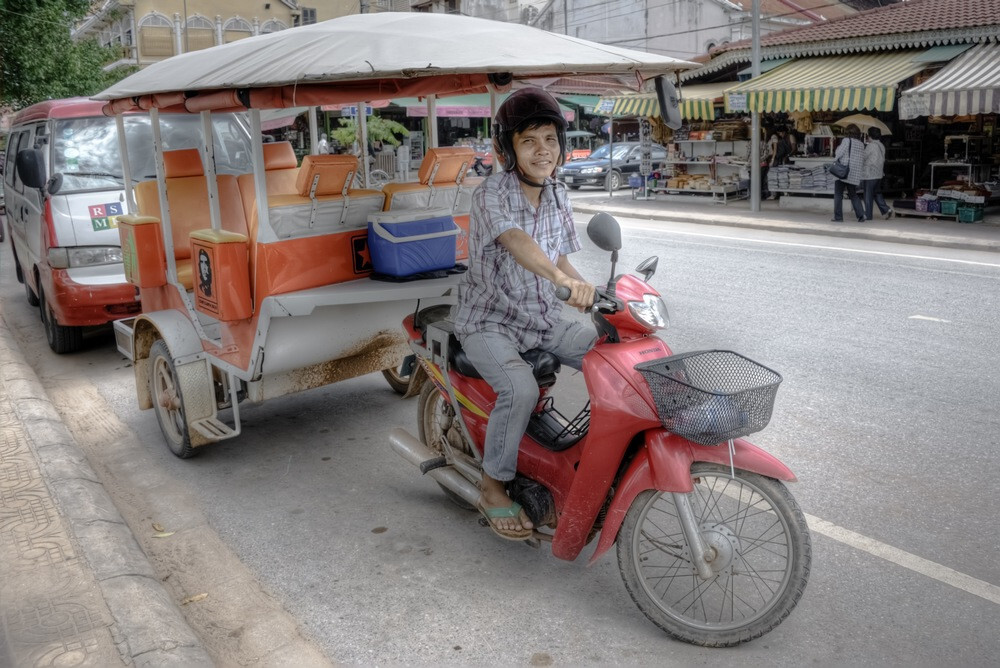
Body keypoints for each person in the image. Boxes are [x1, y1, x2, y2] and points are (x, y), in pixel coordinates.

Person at [453, 88, 597, 540]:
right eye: (530, 140)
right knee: (519, 386)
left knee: (606, 351)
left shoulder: (557, 192)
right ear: (508, 149)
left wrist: (590, 288)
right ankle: (493, 485)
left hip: (539, 318)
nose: (543, 151)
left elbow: (561, 260)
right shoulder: (492, 193)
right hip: (489, 321)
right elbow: (520, 245)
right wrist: (560, 280)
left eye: (550, 139)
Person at [831, 124, 866, 222]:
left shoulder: (846, 141)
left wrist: (837, 148)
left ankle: (838, 217)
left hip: (843, 172)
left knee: (838, 194)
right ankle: (861, 215)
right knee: (853, 194)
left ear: (848, 132)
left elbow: (838, 154)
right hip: (853, 174)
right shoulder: (861, 144)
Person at [862, 127, 894, 220]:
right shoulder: (881, 145)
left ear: (870, 135)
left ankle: (868, 215)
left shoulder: (871, 145)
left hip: (870, 174)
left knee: (868, 195)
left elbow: (864, 156)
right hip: (879, 173)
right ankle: (886, 209)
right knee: (877, 193)